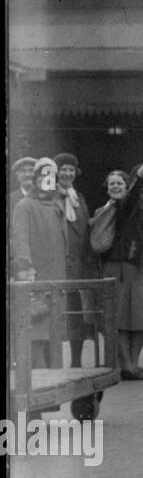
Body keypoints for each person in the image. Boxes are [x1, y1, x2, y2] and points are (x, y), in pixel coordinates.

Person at [99, 163, 143, 378]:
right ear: (107, 188)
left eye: (119, 183)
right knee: (120, 319)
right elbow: (134, 195)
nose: (115, 187)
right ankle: (126, 364)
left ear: (125, 186)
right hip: (119, 267)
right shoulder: (119, 206)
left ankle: (132, 363)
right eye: (112, 184)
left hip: (139, 266)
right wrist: (140, 179)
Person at [10, 157, 70, 369]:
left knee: (55, 334)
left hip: (57, 280)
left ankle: (55, 377)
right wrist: (27, 274)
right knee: (35, 332)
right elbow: (20, 241)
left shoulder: (57, 206)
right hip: (36, 280)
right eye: (42, 176)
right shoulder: (24, 206)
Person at [54, 153, 93, 368]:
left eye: (71, 169)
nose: (67, 173)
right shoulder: (49, 195)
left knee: (76, 314)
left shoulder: (78, 198)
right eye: (63, 169)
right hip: (57, 264)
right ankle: (52, 362)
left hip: (77, 266)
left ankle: (76, 361)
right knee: (55, 313)